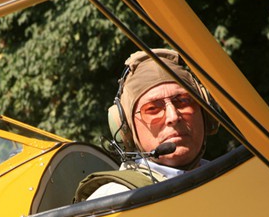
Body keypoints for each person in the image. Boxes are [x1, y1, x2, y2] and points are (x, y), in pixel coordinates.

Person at [74, 48, 219, 201]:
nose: (173, 116)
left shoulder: (231, 175)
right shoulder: (116, 199)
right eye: (153, 109)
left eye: (183, 101)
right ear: (127, 129)